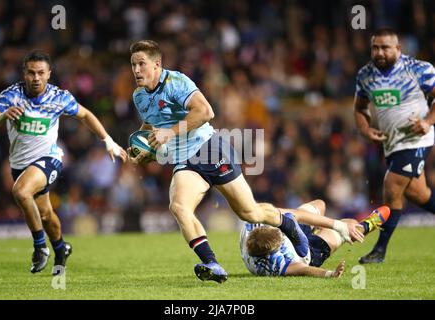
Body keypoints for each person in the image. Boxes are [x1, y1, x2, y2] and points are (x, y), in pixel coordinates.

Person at [127, 40, 363, 283]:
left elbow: (206, 112)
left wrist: (170, 132)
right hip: (185, 160)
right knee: (178, 207)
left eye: (141, 64)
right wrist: (147, 150)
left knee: (250, 212)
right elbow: (151, 124)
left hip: (209, 149)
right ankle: (212, 263)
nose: (136, 70)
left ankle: (287, 223)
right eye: (133, 64)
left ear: (157, 64)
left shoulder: (176, 82)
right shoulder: (139, 97)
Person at [0, 50, 127, 275]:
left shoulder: (58, 97)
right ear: (24, 73)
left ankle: (40, 247)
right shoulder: (11, 96)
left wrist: (107, 140)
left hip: (49, 159)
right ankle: (61, 248)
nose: (36, 78)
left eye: (41, 72)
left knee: (21, 193)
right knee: (46, 214)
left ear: (49, 74)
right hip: (20, 165)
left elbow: (85, 115)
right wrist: (3, 116)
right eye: (31, 73)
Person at [354, 28, 435, 264]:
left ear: (398, 49)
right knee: (419, 194)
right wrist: (365, 130)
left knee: (392, 187)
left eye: (385, 47)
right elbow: (360, 109)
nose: (379, 52)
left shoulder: (419, 70)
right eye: (375, 47)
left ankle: (379, 250)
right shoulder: (365, 75)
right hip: (391, 144)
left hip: (417, 139)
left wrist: (428, 122)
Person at [240, 201, 390, 278]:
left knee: (320, 204)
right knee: (349, 224)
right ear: (273, 251)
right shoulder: (276, 265)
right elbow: (304, 270)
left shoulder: (254, 220)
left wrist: (336, 225)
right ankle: (365, 226)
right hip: (307, 253)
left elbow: (297, 214)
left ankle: (320, 230)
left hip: (293, 228)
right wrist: (331, 274)